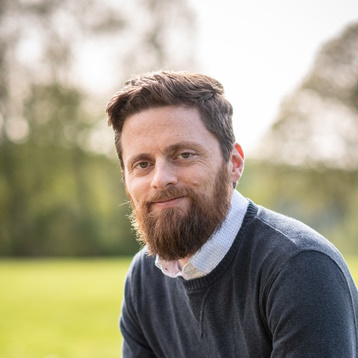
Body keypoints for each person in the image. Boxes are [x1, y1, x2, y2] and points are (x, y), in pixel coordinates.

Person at [106, 70, 358, 358]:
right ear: (125, 181)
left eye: (184, 155)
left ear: (234, 163)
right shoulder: (144, 279)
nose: (160, 179)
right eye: (142, 164)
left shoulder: (300, 268)